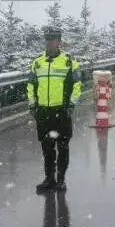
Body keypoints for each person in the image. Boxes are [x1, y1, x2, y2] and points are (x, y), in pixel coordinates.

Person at [28, 27, 82, 191]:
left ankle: (61, 179)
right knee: (47, 148)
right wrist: (33, 106)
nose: (50, 43)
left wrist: (71, 105)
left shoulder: (69, 62)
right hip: (43, 112)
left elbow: (77, 85)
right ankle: (49, 179)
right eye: (47, 40)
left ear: (59, 42)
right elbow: (31, 86)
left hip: (62, 111)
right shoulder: (37, 63)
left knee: (63, 147)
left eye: (53, 40)